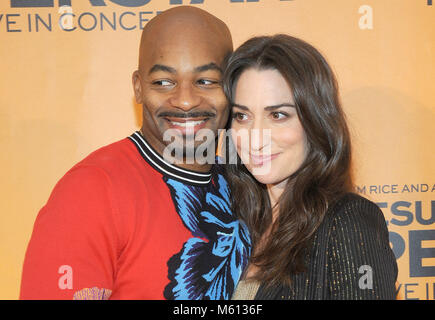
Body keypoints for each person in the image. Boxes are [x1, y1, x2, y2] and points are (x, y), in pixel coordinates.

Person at [20, 6, 250, 300]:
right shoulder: (93, 190)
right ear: (138, 88)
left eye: (206, 80)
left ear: (232, 88)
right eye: (163, 82)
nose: (185, 100)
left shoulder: (251, 184)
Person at [222, 34, 398, 299]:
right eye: (242, 116)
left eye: (278, 115)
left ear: (316, 120)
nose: (254, 138)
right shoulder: (230, 221)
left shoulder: (348, 222)